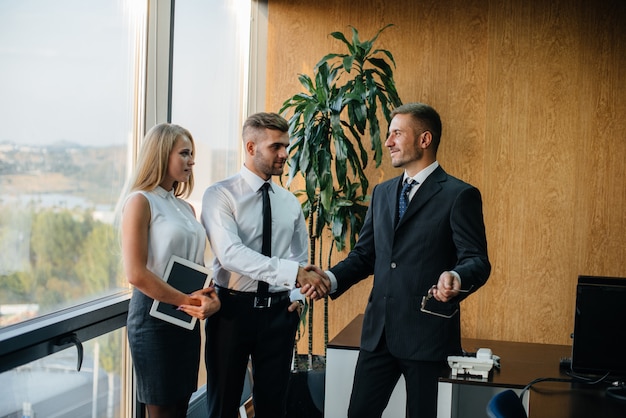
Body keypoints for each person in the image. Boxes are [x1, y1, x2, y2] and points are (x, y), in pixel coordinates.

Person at [307, 102, 491, 418]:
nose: (388, 142)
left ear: (424, 139)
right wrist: (330, 278)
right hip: (378, 334)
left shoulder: (459, 195)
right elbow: (365, 256)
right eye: (389, 134)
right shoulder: (382, 193)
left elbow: (477, 260)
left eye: (397, 134)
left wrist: (456, 278)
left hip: (427, 335)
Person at [200, 112, 329, 418]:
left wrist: (296, 298)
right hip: (231, 312)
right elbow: (231, 253)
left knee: (274, 407)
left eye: (286, 145)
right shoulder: (219, 195)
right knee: (222, 406)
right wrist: (292, 274)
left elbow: (300, 258)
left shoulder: (289, 202)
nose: (285, 154)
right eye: (275, 147)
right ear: (250, 147)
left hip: (278, 315)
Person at [119, 123, 221, 418]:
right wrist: (188, 302)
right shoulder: (140, 201)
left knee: (180, 409)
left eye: (193, 155)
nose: (192, 161)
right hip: (153, 320)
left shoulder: (186, 208)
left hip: (186, 321)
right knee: (163, 411)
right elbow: (136, 273)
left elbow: (198, 265)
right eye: (185, 154)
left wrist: (209, 299)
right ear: (162, 154)